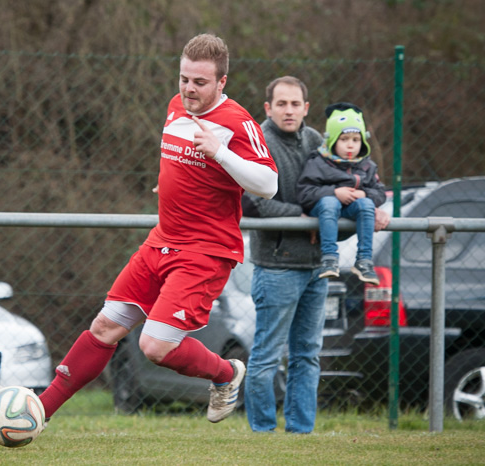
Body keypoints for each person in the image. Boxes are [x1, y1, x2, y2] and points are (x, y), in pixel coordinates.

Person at [35, 33, 279, 427]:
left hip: (205, 252)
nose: (189, 89)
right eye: (184, 79)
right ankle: (38, 411)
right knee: (105, 326)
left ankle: (226, 373)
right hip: (162, 241)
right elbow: (183, 165)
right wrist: (169, 184)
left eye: (200, 82)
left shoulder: (237, 122)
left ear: (222, 82)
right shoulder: (175, 106)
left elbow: (269, 184)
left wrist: (220, 152)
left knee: (155, 345)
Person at [242, 78, 389, 434]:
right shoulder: (257, 142)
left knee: (307, 355)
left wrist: (369, 209)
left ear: (306, 108)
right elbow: (254, 204)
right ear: (268, 108)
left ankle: (300, 432)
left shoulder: (318, 142)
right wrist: (304, 217)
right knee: (266, 356)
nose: (289, 110)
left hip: (318, 267)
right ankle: (262, 433)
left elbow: (346, 194)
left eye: (295, 104)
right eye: (281, 104)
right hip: (276, 267)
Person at [296, 102, 387, 285]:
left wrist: (365, 194)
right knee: (330, 202)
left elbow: (380, 192)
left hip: (350, 209)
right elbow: (304, 192)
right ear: (332, 140)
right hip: (323, 209)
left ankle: (364, 261)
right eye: (344, 139)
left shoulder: (367, 165)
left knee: (366, 204)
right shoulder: (318, 162)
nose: (350, 145)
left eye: (356, 140)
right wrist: (334, 192)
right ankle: (329, 258)